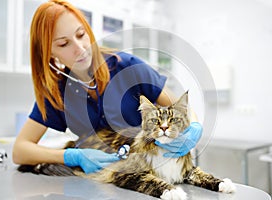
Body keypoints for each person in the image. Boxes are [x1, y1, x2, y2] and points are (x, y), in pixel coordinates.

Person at [12, 0, 202, 174]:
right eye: (64, 44)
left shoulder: (128, 67)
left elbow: (180, 107)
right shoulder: (58, 93)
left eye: (81, 34)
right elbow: (20, 150)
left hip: (150, 172)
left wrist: (193, 127)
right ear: (50, 54)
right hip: (103, 180)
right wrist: (72, 156)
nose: (80, 47)